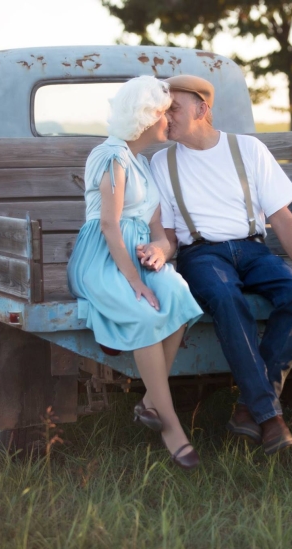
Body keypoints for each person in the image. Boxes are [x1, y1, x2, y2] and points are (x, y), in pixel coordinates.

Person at [149, 74, 292, 456]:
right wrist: (160, 250)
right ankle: (270, 418)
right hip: (202, 254)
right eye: (163, 110)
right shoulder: (162, 163)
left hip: (253, 249)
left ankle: (249, 407)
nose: (166, 117)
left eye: (173, 108)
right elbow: (170, 235)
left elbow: (282, 217)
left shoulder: (248, 150)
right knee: (226, 297)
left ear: (202, 109)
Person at [67, 76, 203, 470]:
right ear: (145, 118)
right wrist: (134, 280)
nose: (169, 121)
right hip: (103, 258)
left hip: (138, 254)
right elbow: (110, 225)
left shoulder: (143, 163)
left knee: (178, 297)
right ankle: (170, 426)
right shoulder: (111, 157)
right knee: (144, 310)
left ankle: (149, 402)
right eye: (164, 114)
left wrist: (160, 252)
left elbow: (159, 227)